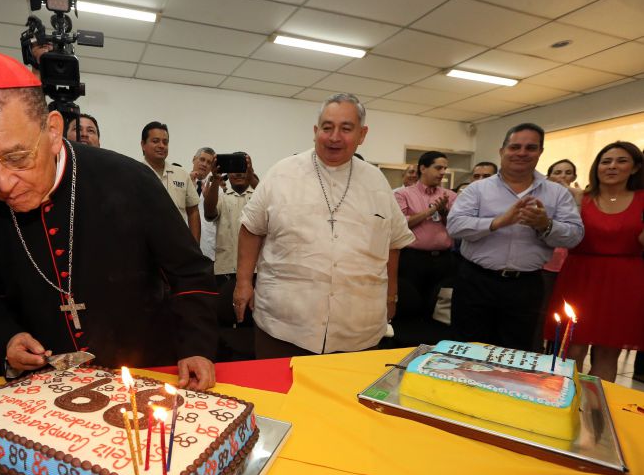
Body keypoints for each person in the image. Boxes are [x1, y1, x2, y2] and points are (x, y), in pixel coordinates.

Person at [0, 49, 218, 389]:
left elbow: (189, 272)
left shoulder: (130, 180)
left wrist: (196, 346)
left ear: (53, 130)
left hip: (147, 372)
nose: (1, 183)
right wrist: (8, 337)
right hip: (48, 387)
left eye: (17, 157)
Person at [235, 93, 414, 357]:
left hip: (358, 329)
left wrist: (391, 297)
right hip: (284, 326)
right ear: (315, 131)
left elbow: (393, 244)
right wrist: (242, 283)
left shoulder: (376, 182)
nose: (334, 137)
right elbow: (251, 228)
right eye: (327, 128)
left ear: (362, 134)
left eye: (346, 128)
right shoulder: (282, 173)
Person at [447, 123, 583, 352]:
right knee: (467, 350)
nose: (522, 153)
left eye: (530, 147)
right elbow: (455, 226)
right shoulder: (477, 190)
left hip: (526, 286)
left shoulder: (557, 193)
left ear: (540, 152)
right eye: (515, 147)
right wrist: (498, 222)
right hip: (476, 281)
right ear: (502, 151)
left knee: (515, 351)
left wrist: (545, 225)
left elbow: (575, 236)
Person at [545, 142, 644, 382]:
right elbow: (565, 237)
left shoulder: (642, 199)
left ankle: (597, 408)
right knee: (571, 348)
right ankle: (564, 403)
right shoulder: (580, 198)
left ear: (634, 168)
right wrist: (576, 204)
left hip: (624, 280)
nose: (612, 167)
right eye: (606, 161)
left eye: (621, 161)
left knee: (608, 352)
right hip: (579, 276)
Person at [395, 150, 457, 316]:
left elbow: (457, 228)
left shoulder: (450, 196)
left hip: (444, 260)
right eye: (438, 168)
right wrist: (431, 211)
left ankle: (435, 340)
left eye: (445, 168)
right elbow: (400, 224)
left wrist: (444, 212)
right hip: (412, 259)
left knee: (438, 308)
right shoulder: (403, 194)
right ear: (423, 168)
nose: (443, 172)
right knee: (410, 305)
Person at [532, 159, 582, 352]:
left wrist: (577, 199)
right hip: (546, 266)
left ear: (575, 177)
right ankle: (537, 352)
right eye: (558, 172)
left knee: (564, 313)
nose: (563, 177)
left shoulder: (581, 199)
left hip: (571, 267)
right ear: (549, 176)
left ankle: (557, 353)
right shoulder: (544, 200)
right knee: (541, 313)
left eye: (568, 172)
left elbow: (579, 231)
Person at [140, 121, 201, 242]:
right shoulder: (134, 173)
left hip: (179, 246)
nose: (162, 145)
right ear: (143, 144)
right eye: (155, 141)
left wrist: (195, 247)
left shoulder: (182, 174)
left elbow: (193, 212)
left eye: (165, 142)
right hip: (144, 247)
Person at [204, 154, 256, 287]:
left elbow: (271, 207)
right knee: (224, 308)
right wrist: (216, 180)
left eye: (242, 168)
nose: (238, 173)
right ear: (227, 172)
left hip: (256, 270)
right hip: (225, 269)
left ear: (250, 170)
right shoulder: (221, 197)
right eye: (234, 168)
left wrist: (253, 179)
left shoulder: (259, 195)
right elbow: (209, 212)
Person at [191, 147, 216, 261]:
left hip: (208, 251)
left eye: (209, 162)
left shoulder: (217, 190)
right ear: (194, 159)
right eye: (202, 159)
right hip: (183, 247)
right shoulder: (182, 183)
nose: (204, 164)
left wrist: (209, 199)